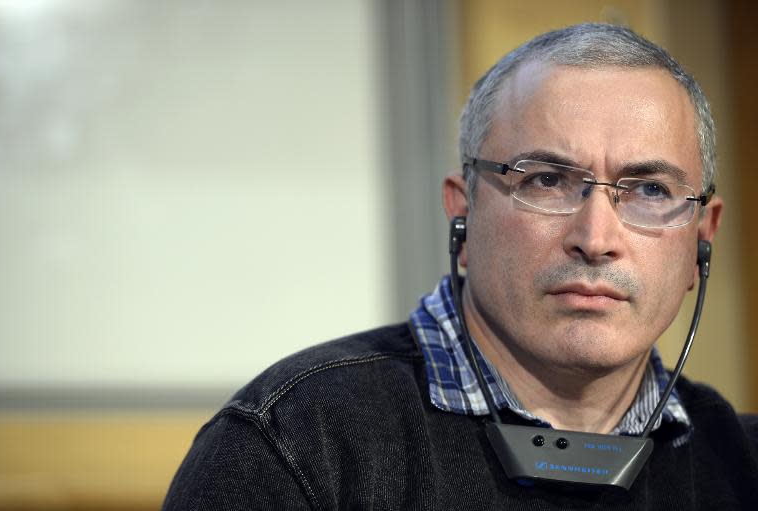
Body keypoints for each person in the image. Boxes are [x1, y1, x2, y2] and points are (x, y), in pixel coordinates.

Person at [163, 23, 758, 509]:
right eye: (547, 180)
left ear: (701, 239)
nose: (596, 238)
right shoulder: (294, 443)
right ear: (464, 214)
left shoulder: (743, 467)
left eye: (650, 189)